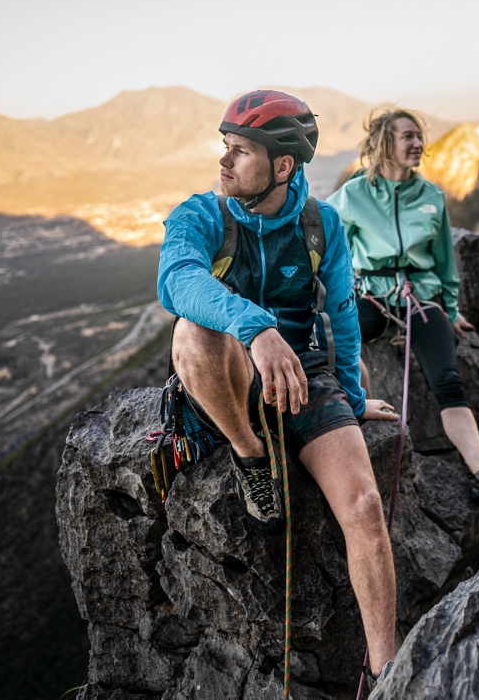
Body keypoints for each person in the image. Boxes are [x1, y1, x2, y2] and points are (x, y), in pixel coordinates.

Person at [157, 90, 398, 681]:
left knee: (365, 508)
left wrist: (354, 399)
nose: (224, 161)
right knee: (194, 331)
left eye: (239, 151)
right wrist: (257, 328)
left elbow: (340, 312)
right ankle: (249, 454)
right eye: (226, 147)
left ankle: (388, 672)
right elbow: (176, 281)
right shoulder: (202, 214)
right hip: (230, 367)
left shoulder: (321, 225)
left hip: (305, 375)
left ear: (283, 166)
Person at [328, 109, 479, 504]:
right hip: (371, 292)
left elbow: (445, 264)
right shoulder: (353, 195)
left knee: (449, 381)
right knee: (336, 343)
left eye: (419, 137)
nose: (418, 143)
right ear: (385, 143)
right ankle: (345, 429)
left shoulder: (431, 197)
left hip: (419, 298)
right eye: (408, 137)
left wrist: (450, 312)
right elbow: (325, 236)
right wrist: (342, 290)